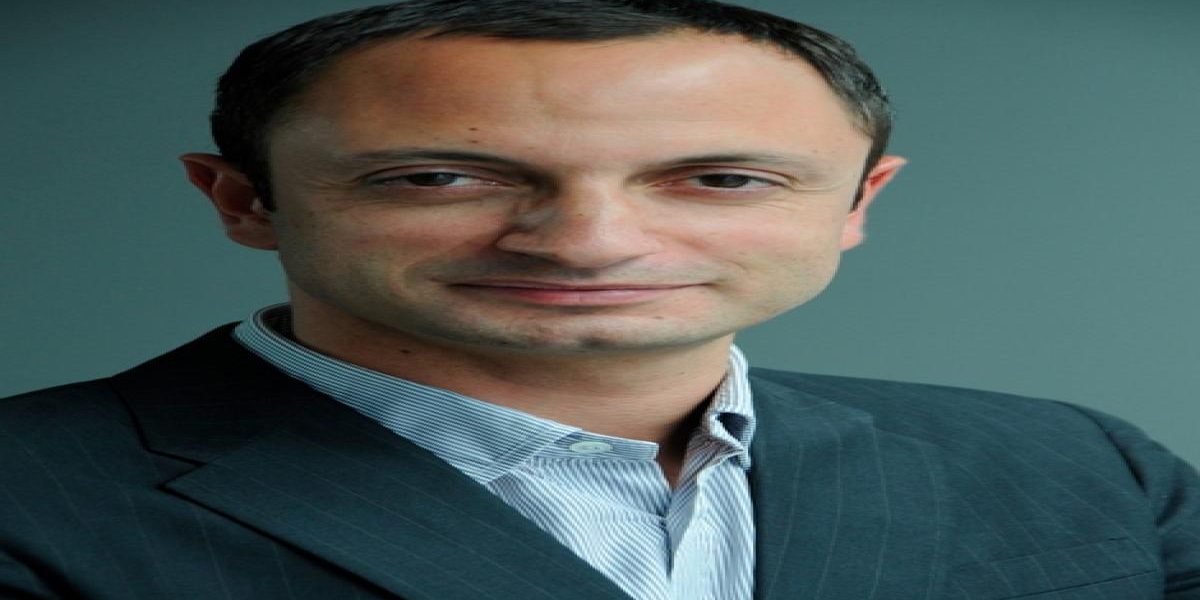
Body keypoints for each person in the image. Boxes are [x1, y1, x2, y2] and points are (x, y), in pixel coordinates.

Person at [1, 0, 1196, 598]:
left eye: (721, 179)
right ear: (242, 200)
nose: (589, 243)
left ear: (856, 202)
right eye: (440, 177)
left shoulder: (1085, 466)